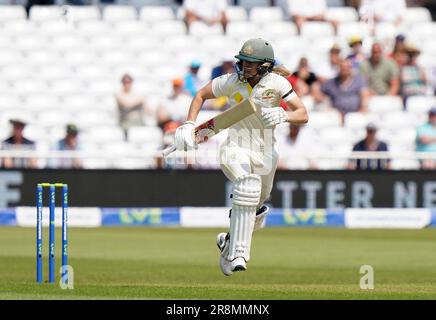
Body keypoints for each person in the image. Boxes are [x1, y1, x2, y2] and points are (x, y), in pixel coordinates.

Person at [169, 38, 308, 275]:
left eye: (250, 63)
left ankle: (229, 241)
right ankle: (238, 253)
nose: (244, 67)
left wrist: (284, 116)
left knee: (257, 206)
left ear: (264, 65)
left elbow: (303, 113)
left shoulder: (277, 83)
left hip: (266, 152)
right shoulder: (231, 82)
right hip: (234, 148)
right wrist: (189, 123)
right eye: (243, 62)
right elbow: (201, 95)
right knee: (247, 185)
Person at [115, 74, 148, 140]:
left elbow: (146, 105)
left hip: (138, 121)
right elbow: (127, 104)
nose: (127, 84)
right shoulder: (119, 94)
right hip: (126, 122)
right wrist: (139, 101)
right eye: (125, 82)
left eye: (129, 82)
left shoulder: (135, 93)